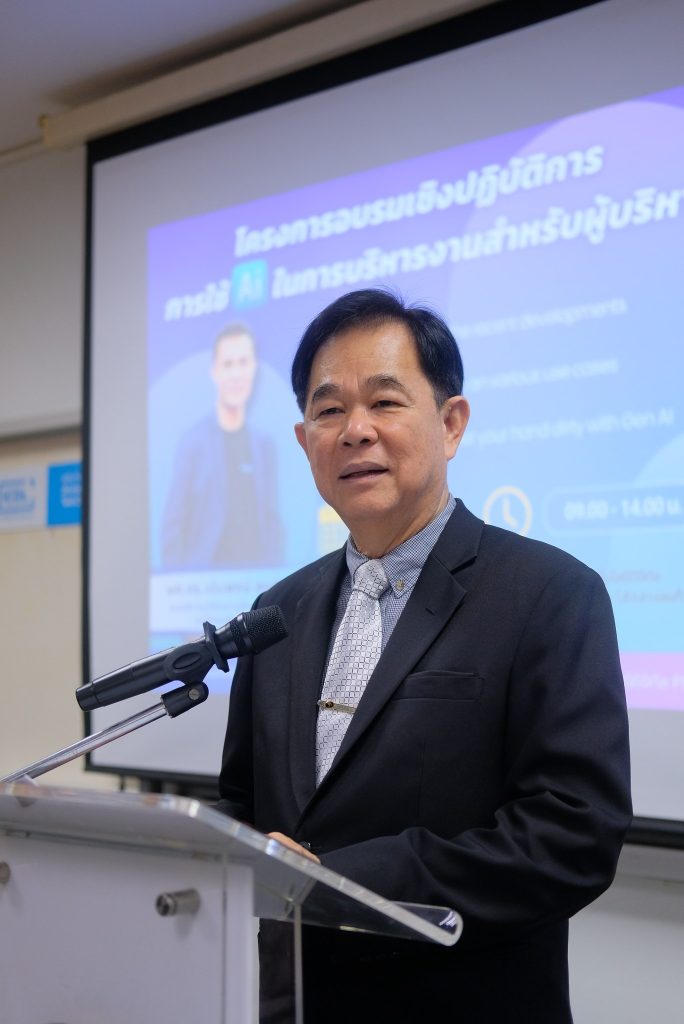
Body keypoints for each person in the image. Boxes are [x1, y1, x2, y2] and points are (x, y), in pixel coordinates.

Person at [216, 289, 631, 1022]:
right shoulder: (277, 611)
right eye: (329, 410)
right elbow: (246, 802)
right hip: (296, 1002)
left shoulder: (549, 594)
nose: (356, 431)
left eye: (385, 402)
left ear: (451, 422)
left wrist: (338, 880)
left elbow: (572, 834)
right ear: (304, 438)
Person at [161, 322, 283, 569]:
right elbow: (173, 525)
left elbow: (271, 521)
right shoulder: (193, 443)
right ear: (215, 372)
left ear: (254, 368)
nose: (236, 374)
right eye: (228, 364)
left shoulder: (264, 446)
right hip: (204, 584)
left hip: (258, 582)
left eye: (243, 362)